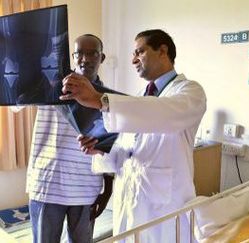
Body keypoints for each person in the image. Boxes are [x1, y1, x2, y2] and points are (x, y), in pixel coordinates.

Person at [60, 29, 207, 242]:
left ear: (163, 51)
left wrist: (100, 100)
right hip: (129, 204)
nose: (133, 60)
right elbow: (125, 152)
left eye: (139, 52)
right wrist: (99, 151)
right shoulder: (138, 98)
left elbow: (163, 113)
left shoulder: (190, 92)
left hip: (164, 208)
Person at [25, 34, 113, 243]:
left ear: (102, 58)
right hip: (47, 186)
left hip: (86, 190)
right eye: (79, 53)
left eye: (92, 53)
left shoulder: (110, 100)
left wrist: (107, 189)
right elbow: (16, 98)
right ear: (72, 57)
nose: (85, 58)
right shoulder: (50, 85)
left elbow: (112, 145)